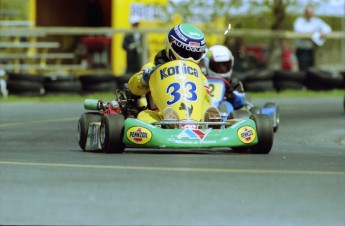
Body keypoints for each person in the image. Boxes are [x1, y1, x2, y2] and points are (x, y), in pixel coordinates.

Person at [128, 23, 213, 123]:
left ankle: (210, 121)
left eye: (195, 54)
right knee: (144, 116)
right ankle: (170, 122)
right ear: (171, 45)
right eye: (185, 53)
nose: (190, 58)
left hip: (194, 117)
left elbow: (206, 98)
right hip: (161, 116)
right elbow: (132, 88)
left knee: (206, 106)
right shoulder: (152, 68)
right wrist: (143, 79)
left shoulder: (199, 75)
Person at [203, 45, 246, 111]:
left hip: (229, 114)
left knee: (226, 106)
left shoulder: (234, 83)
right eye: (217, 65)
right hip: (204, 108)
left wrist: (230, 95)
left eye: (225, 65)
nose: (222, 68)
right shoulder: (202, 80)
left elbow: (241, 103)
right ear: (207, 63)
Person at [293, 4, 332, 71]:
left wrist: (322, 32)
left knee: (312, 70)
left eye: (311, 12)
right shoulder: (299, 21)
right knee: (303, 71)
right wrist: (311, 32)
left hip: (311, 50)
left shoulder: (316, 21)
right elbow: (298, 30)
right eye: (308, 12)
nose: (310, 14)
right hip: (302, 50)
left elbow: (328, 29)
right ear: (305, 12)